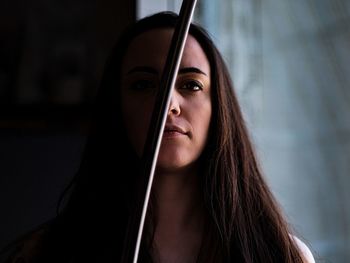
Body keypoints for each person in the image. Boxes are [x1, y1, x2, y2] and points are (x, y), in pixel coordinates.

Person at [1, 11, 316, 263]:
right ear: (117, 106)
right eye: (143, 85)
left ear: (219, 107)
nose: (168, 105)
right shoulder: (42, 254)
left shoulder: (284, 256)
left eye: (191, 85)